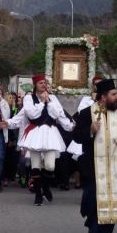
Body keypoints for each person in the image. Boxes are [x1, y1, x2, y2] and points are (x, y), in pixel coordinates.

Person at [73, 79, 117, 233]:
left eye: (116, 94)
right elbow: (76, 136)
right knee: (93, 199)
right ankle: (93, 229)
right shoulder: (86, 113)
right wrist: (90, 130)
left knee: (112, 198)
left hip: (116, 165)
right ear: (103, 97)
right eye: (113, 94)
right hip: (92, 165)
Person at [17, 74, 74, 206]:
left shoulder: (53, 98)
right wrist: (42, 102)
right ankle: (38, 194)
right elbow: (32, 114)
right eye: (40, 83)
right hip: (35, 133)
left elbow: (57, 114)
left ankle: (46, 187)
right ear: (35, 85)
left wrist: (48, 102)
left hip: (50, 133)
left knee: (50, 166)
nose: (44, 85)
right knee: (36, 166)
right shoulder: (29, 98)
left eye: (45, 83)